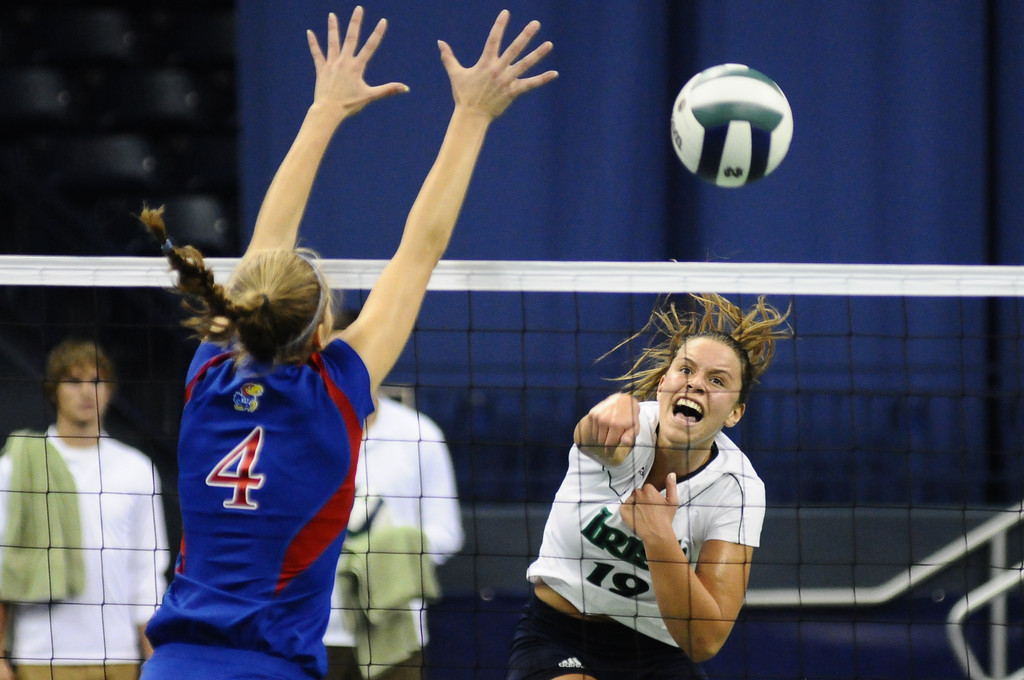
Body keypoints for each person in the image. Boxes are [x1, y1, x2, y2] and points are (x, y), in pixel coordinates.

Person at [136, 7, 555, 680]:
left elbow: (267, 252)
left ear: (242, 313)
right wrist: (471, 115)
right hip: (268, 669)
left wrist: (322, 110)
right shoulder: (331, 395)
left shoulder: (209, 374)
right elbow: (421, 246)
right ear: (322, 334)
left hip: (172, 666)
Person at [506, 294, 791, 680]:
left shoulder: (737, 488)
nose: (696, 385)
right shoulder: (627, 429)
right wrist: (607, 411)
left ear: (735, 413)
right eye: (685, 370)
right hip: (558, 634)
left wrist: (659, 538)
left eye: (717, 380)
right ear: (662, 384)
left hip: (656, 654)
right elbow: (591, 437)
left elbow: (705, 641)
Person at [0, 339, 170, 680]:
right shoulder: (15, 467)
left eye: (96, 381)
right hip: (38, 655)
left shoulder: (136, 469)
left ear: (109, 390)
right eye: (74, 381)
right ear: (54, 390)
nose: (86, 392)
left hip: (118, 656)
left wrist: (156, 658)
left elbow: (147, 573)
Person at [323, 388, 464, 680]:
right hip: (310, 630)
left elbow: (448, 533)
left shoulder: (419, 433)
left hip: (396, 633)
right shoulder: (293, 430)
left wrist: (386, 554)